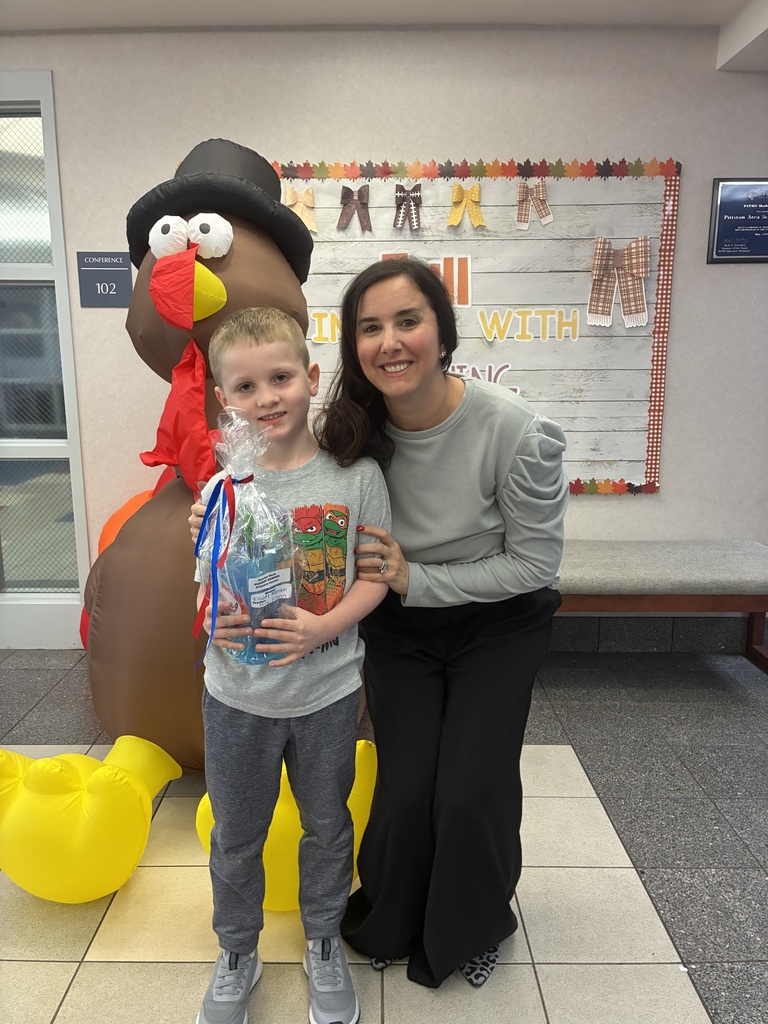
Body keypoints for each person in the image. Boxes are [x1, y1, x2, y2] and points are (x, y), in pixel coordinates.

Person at [316, 257, 569, 989]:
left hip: (500, 624)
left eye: (408, 321)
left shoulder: (516, 430)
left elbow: (535, 565)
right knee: (405, 789)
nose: (390, 342)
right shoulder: (352, 430)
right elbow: (289, 486)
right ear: (354, 346)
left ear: (443, 331)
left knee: (468, 790)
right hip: (402, 627)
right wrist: (220, 505)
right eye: (370, 328)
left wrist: (416, 578)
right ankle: (393, 915)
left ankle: (473, 924)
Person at [193, 306, 390, 1024]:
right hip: (236, 697)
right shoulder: (222, 488)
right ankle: (237, 951)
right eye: (245, 387)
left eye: (280, 378)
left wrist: (324, 628)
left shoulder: (357, 477)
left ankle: (323, 941)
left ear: (310, 376)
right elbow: (204, 587)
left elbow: (375, 575)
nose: (266, 398)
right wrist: (215, 615)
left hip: (326, 693)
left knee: (328, 826)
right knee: (235, 835)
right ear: (224, 398)